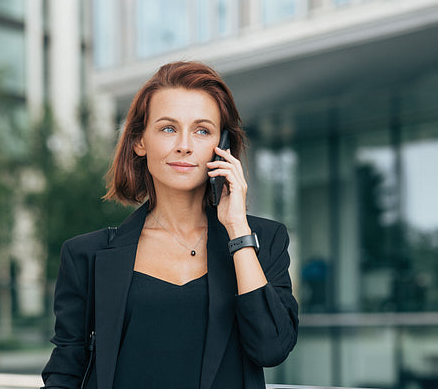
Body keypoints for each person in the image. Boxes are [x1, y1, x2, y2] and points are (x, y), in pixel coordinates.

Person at [41, 61, 298, 389]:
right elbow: (65, 373)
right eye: (168, 128)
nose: (185, 145)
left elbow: (271, 348)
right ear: (139, 141)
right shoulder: (85, 256)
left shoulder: (263, 241)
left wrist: (237, 229)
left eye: (202, 130)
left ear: (223, 147)